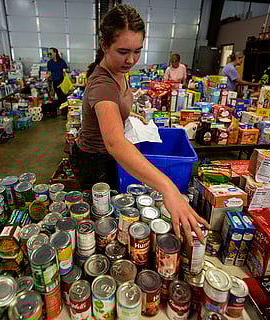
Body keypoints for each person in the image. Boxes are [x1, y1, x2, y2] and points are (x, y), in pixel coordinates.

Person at [74, 4, 209, 243]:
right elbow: (115, 143)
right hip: (96, 163)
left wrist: (128, 115)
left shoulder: (118, 70)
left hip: (107, 158)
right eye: (123, 51)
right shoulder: (102, 85)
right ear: (104, 45)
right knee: (106, 229)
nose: (131, 60)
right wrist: (167, 187)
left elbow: (115, 107)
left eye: (137, 51)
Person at [47, 48, 69, 120]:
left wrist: (65, 71)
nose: (49, 55)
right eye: (48, 54)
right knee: (60, 98)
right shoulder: (49, 63)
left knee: (63, 97)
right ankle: (63, 112)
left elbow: (67, 70)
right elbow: (49, 73)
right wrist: (48, 80)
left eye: (50, 53)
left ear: (55, 53)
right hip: (55, 82)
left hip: (62, 82)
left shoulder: (61, 61)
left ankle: (65, 113)